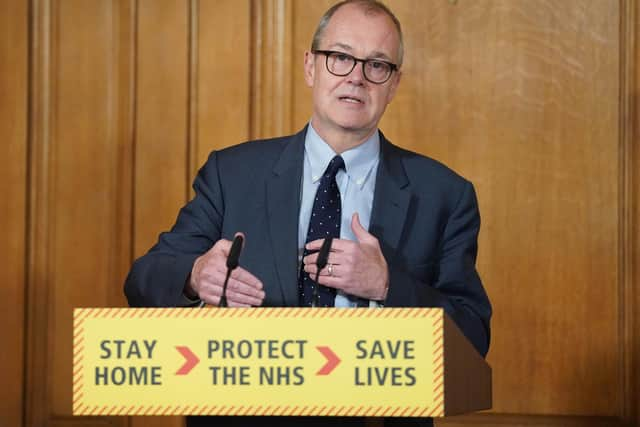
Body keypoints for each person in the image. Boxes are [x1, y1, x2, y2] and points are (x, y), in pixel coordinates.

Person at [125, 1, 491, 426]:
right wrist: (194, 275)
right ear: (310, 68)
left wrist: (388, 284)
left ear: (393, 85)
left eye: (377, 65)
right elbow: (143, 280)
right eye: (340, 57)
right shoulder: (232, 174)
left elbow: (473, 338)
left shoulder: (445, 195)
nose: (356, 76)